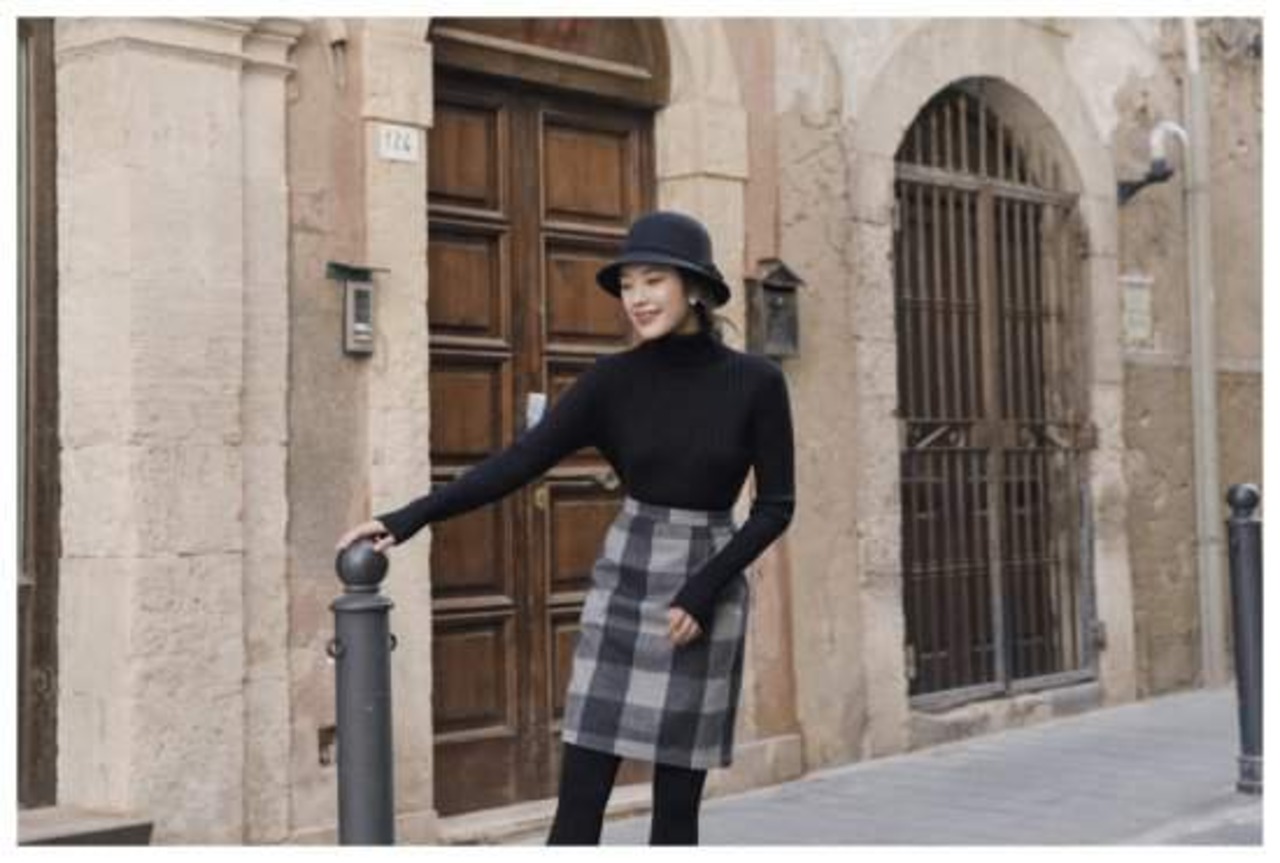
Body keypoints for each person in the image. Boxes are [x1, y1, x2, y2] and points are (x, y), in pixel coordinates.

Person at [336, 210, 796, 845]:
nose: (636, 298)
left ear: (694, 287)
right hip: (626, 580)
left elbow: (776, 506)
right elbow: (518, 462)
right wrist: (406, 518)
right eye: (627, 284)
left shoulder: (757, 383)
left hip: (706, 585)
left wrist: (702, 590)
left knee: (676, 811)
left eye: (653, 280)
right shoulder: (612, 382)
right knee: (578, 806)